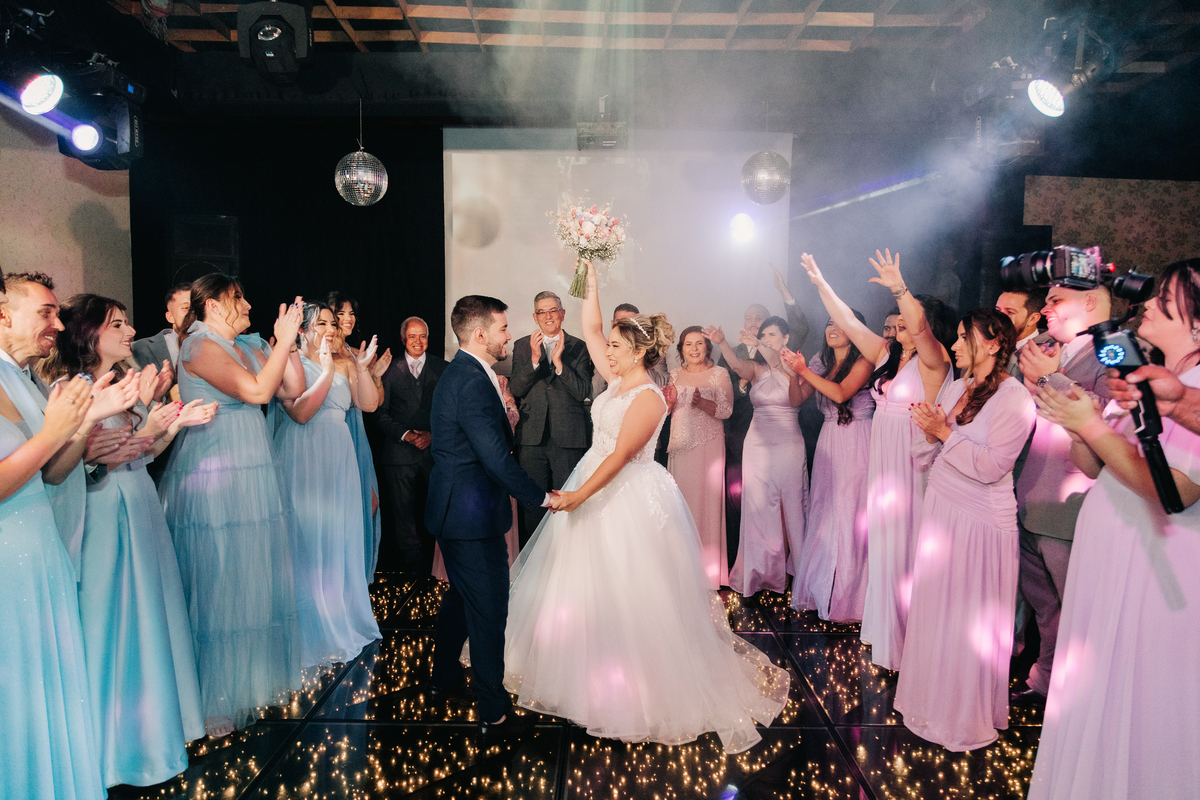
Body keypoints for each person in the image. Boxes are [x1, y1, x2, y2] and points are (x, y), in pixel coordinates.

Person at [503, 260, 788, 753]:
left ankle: (632, 687)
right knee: (583, 586)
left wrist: (578, 496)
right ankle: (580, 671)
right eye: (609, 346)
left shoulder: (650, 397)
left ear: (637, 352)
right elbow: (593, 326)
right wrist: (591, 281)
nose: (605, 350)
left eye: (615, 346)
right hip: (593, 478)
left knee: (629, 588)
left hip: (623, 492)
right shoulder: (616, 379)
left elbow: (619, 457)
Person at [1027, 258, 1200, 800]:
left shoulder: (1194, 387)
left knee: (1138, 697)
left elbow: (1176, 490)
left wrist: (1091, 426)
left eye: (1165, 298)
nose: (1146, 303)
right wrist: (1079, 425)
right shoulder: (1156, 377)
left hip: (1154, 568)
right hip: (1115, 558)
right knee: (1097, 690)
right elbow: (1097, 465)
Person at [40, 294, 215, 788]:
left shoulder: (122, 382)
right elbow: (72, 466)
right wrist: (140, 434)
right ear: (89, 334)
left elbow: (141, 452)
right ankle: (110, 750)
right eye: (117, 325)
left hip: (138, 500)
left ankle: (151, 734)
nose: (129, 331)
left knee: (149, 614)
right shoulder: (70, 390)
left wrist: (169, 426)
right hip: (101, 510)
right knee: (110, 620)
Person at [157, 273, 307, 737]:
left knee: (249, 575)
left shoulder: (247, 344)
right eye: (237, 298)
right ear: (213, 306)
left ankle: (246, 685)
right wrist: (280, 344)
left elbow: (291, 390)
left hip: (253, 469)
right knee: (218, 578)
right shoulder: (199, 346)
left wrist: (287, 343)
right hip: (215, 471)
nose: (246, 305)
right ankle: (211, 697)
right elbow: (258, 392)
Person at [798, 251, 952, 670]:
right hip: (881, 458)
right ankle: (885, 633)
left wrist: (900, 289)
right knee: (882, 544)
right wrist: (821, 283)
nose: (899, 329)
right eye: (895, 325)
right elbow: (848, 321)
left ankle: (912, 643)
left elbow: (920, 330)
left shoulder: (934, 361)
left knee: (907, 547)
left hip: (910, 460)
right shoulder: (887, 356)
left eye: (906, 324)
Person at [894, 310, 1035, 751]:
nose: (954, 346)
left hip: (980, 521)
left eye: (963, 338)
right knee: (938, 609)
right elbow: (929, 453)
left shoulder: (1015, 398)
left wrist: (943, 433)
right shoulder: (959, 387)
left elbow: (992, 467)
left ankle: (963, 715)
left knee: (966, 618)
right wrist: (927, 429)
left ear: (993, 344)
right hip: (943, 509)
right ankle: (932, 702)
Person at [0, 275, 117, 800]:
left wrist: (86, 421)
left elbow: (49, 473)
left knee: (46, 689)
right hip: (9, 558)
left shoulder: (24, 379)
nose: (58, 324)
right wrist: (55, 432)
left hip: (40, 549)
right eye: (45, 313)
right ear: (4, 314)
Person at [425, 295, 551, 740]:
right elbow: (495, 458)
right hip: (470, 515)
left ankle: (442, 678)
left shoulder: (467, 373)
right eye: (502, 329)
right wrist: (543, 497)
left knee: (461, 599)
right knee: (490, 611)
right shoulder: (472, 381)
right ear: (480, 334)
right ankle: (494, 714)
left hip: (459, 509)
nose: (508, 337)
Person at [1011, 281, 1114, 705]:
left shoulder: (1112, 351)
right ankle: (1044, 681)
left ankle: (1081, 697)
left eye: (1056, 300)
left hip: (1072, 500)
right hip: (1030, 491)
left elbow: (1108, 415)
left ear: (1089, 302)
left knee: (1077, 606)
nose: (1047, 309)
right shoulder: (1049, 348)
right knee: (1045, 607)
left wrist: (1049, 377)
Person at [275, 303, 382, 672]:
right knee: (307, 537)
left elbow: (367, 404)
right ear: (302, 330)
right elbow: (301, 413)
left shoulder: (342, 362)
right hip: (304, 453)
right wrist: (326, 371)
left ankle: (340, 616)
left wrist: (362, 368)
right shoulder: (290, 361)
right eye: (321, 323)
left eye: (333, 323)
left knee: (338, 535)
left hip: (339, 454)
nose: (331, 328)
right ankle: (311, 625)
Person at [705, 314, 806, 600]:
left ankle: (798, 572)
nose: (766, 340)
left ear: (786, 338)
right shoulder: (757, 368)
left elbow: (780, 367)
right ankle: (758, 573)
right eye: (764, 335)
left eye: (772, 335)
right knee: (757, 506)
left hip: (788, 442)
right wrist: (722, 342)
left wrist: (759, 344)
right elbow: (737, 365)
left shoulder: (795, 365)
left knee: (791, 505)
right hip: (757, 443)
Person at [719, 265, 811, 571]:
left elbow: (798, 329)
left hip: (785, 440)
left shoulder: (787, 357)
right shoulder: (738, 353)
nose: (754, 323)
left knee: (788, 503)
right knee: (746, 503)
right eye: (750, 318)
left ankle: (789, 565)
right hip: (745, 438)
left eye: (760, 319)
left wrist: (783, 290)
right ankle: (754, 565)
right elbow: (729, 379)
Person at [784, 313, 875, 622]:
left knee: (850, 513)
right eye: (829, 324)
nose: (832, 329)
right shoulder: (821, 363)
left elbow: (840, 393)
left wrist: (803, 371)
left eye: (840, 324)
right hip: (828, 442)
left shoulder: (864, 361)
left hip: (857, 441)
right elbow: (796, 400)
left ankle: (850, 596)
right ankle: (825, 588)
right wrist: (793, 375)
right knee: (825, 512)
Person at [508, 290, 594, 542]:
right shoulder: (522, 346)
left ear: (562, 313)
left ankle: (565, 559)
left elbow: (582, 392)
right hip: (531, 438)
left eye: (553, 310)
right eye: (542, 312)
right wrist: (535, 361)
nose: (548, 316)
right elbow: (516, 389)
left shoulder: (579, 346)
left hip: (568, 438)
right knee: (533, 504)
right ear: (535, 317)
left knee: (567, 505)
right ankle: (534, 560)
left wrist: (559, 364)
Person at [663, 326, 734, 589]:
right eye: (688, 344)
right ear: (681, 349)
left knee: (707, 504)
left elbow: (727, 411)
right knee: (681, 505)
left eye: (699, 344)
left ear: (707, 347)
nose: (694, 349)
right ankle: (681, 570)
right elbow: (664, 412)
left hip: (709, 448)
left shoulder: (719, 374)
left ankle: (708, 572)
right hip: (680, 445)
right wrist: (669, 404)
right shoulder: (673, 375)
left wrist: (701, 403)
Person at [376, 316, 448, 576]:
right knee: (402, 511)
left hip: (435, 451)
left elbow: (451, 411)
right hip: (399, 453)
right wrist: (406, 435)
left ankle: (441, 559)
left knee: (441, 504)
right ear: (403, 339)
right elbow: (379, 413)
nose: (418, 341)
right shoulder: (389, 370)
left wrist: (432, 435)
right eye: (412, 336)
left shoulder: (444, 368)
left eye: (423, 336)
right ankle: (412, 562)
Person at [327, 291, 390, 582]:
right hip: (335, 429)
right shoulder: (323, 353)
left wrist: (375, 375)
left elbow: (375, 402)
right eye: (341, 313)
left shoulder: (355, 352)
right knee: (344, 505)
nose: (348, 318)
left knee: (370, 503)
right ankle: (340, 577)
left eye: (351, 313)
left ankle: (358, 578)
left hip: (358, 431)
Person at [593, 303, 670, 396]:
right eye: (620, 323)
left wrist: (637, 362)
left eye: (629, 324)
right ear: (612, 323)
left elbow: (662, 384)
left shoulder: (653, 351)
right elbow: (596, 390)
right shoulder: (608, 351)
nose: (624, 327)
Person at [132, 281, 190, 375]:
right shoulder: (140, 348)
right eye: (186, 308)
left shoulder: (213, 345)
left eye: (198, 307)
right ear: (170, 317)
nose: (194, 312)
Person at [994, 288, 1048, 380]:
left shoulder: (1047, 352)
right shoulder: (988, 342)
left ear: (1033, 319)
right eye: (998, 311)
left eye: (1010, 312)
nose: (999, 318)